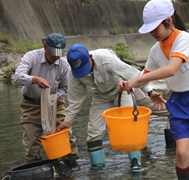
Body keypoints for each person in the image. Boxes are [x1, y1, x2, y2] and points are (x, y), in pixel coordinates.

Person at [118, 0, 189, 180]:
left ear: (169, 20)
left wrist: (136, 80)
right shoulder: (155, 51)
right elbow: (144, 76)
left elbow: (171, 69)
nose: (152, 32)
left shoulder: (184, 38)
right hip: (180, 102)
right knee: (181, 154)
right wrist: (132, 85)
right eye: (149, 29)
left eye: (155, 27)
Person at [57, 44, 169, 172]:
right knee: (93, 130)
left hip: (121, 89)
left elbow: (133, 74)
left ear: (90, 57)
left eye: (85, 67)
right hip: (100, 95)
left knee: (128, 125)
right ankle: (98, 169)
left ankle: (136, 164)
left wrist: (150, 92)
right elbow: (76, 100)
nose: (85, 72)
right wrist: (67, 121)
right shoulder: (73, 73)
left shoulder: (106, 59)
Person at [13, 33, 78, 163]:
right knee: (32, 144)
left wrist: (52, 98)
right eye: (53, 53)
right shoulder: (31, 57)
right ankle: (35, 168)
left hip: (56, 104)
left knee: (67, 136)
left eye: (59, 53)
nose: (56, 57)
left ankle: (71, 166)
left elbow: (65, 88)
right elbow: (17, 77)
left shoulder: (64, 64)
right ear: (45, 46)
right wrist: (34, 79)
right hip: (31, 105)